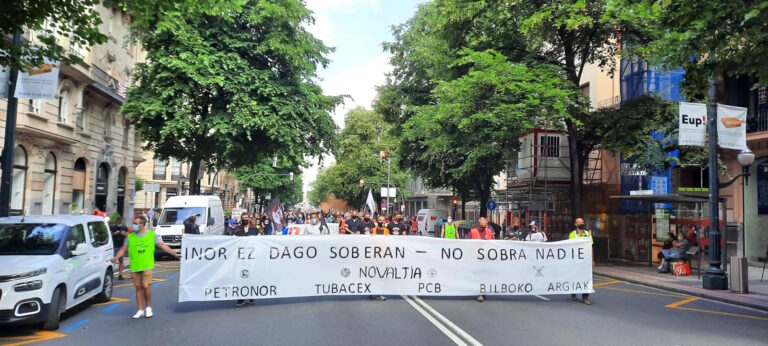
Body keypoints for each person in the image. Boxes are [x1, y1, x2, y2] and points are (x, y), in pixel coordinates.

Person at [109, 216, 180, 319]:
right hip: (135, 266)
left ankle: (148, 308)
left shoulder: (151, 235)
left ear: (142, 225)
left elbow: (162, 245)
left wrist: (175, 254)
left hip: (147, 265)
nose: (133, 225)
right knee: (138, 288)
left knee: (146, 286)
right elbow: (123, 249)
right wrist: (116, 257)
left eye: (135, 223)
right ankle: (140, 310)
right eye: (133, 223)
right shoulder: (130, 237)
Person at [233, 213, 258, 306]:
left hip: (252, 258)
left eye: (246, 218)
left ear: (249, 218)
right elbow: (232, 242)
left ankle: (251, 296)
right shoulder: (237, 229)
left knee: (251, 277)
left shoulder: (254, 230)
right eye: (243, 218)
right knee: (241, 277)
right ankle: (240, 298)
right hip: (240, 258)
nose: (245, 219)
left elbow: (260, 242)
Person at [569, 218, 594, 305]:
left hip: (585, 260)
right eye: (579, 223)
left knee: (586, 277)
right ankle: (573, 292)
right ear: (575, 224)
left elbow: (591, 247)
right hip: (575, 260)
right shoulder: (572, 234)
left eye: (582, 222)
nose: (581, 224)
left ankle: (585, 298)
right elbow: (570, 247)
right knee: (574, 276)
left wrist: (592, 259)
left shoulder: (588, 234)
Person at [469, 217, 493, 302]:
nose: (484, 227)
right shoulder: (473, 232)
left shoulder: (489, 231)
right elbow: (467, 245)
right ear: (478, 224)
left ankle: (482, 291)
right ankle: (480, 293)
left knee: (485, 275)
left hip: (486, 258)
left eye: (485, 225)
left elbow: (493, 244)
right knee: (479, 276)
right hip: (476, 259)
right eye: (482, 225)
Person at [370, 216, 389, 301]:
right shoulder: (373, 230)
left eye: (383, 220)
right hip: (373, 255)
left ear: (385, 221)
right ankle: (371, 290)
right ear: (377, 221)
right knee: (373, 274)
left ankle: (380, 293)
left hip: (383, 256)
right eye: (380, 220)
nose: (381, 221)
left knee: (382, 275)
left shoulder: (386, 231)